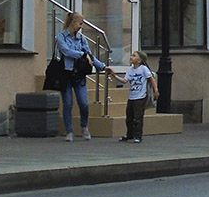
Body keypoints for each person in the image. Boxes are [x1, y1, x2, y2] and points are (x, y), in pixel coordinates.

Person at [56, 12, 106, 141]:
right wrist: (83, 55)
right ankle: (69, 131)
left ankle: (84, 126)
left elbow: (89, 55)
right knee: (67, 103)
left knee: (84, 103)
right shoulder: (61, 37)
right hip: (66, 73)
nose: (81, 26)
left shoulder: (82, 39)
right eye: (80, 23)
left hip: (79, 74)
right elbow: (66, 51)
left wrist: (102, 66)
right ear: (73, 23)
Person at [108, 50, 156, 143]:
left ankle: (138, 135)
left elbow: (151, 79)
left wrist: (156, 90)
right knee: (129, 117)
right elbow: (125, 80)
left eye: (134, 56)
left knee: (138, 117)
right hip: (132, 96)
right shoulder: (130, 70)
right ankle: (129, 134)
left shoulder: (143, 69)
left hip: (141, 96)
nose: (131, 57)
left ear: (139, 60)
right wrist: (114, 75)